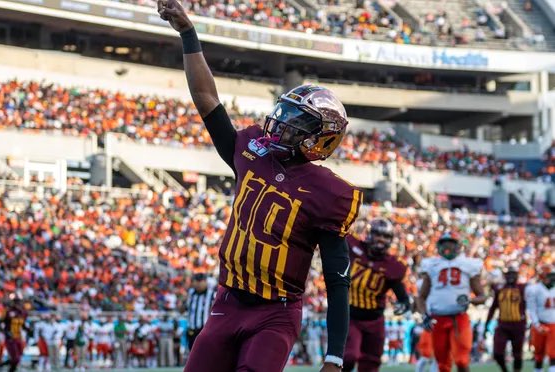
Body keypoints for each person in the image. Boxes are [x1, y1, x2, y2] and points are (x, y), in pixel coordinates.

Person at [158, 2, 361, 371]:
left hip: (276, 313)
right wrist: (188, 33)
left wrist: (334, 355)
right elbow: (207, 101)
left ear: (320, 138)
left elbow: (337, 279)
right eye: (284, 113)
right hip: (227, 303)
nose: (282, 123)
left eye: (296, 121)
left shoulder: (330, 193)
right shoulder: (253, 151)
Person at [343, 218, 410, 372]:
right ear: (369, 234)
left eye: (386, 236)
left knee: (371, 364)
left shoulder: (393, 265)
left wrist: (404, 302)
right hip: (350, 316)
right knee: (348, 357)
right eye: (378, 234)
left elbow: (399, 291)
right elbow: (337, 232)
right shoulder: (354, 247)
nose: (381, 239)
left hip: (375, 320)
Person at [417, 232, 488, 372]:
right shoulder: (431, 265)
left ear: (458, 246)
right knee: (442, 364)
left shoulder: (468, 264)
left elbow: (482, 296)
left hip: (459, 318)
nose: (447, 246)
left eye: (450, 243)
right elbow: (421, 297)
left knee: (461, 360)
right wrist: (424, 315)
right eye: (444, 243)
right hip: (437, 319)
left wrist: (471, 300)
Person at [484, 264, 527, 372]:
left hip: (518, 324)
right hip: (503, 325)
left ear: (517, 275)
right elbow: (493, 307)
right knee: (497, 353)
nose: (511, 277)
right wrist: (487, 324)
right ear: (505, 276)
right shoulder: (500, 289)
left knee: (517, 354)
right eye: (508, 274)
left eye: (513, 274)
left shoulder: (522, 288)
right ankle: (504, 370)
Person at [526, 264, 555, 372]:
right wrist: (537, 324)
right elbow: (531, 309)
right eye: (550, 276)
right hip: (540, 324)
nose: (553, 278)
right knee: (539, 354)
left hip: (553, 324)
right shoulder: (534, 289)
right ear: (543, 276)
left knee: (553, 354)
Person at [184, 273, 215, 351]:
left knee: (205, 353)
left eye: (200, 281)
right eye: (196, 281)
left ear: (205, 282)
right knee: (192, 353)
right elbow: (184, 309)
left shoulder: (211, 294)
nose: (198, 284)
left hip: (205, 330)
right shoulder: (190, 293)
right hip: (192, 329)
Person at [0, 293, 29, 372]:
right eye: (16, 301)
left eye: (19, 301)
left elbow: (23, 325)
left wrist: (28, 329)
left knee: (19, 357)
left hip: (19, 337)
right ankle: (6, 367)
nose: (18, 303)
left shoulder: (23, 312)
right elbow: (0, 323)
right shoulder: (8, 311)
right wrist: (5, 332)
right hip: (10, 337)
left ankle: (2, 365)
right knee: (15, 358)